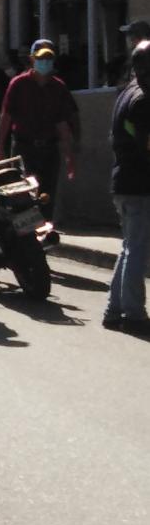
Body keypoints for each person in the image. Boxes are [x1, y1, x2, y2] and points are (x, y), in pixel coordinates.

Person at [0, 40, 77, 212]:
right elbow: (6, 116)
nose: (45, 63)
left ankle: (45, 230)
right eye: (41, 58)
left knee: (47, 195)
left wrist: (69, 155)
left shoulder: (58, 87)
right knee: (22, 193)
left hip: (49, 148)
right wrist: (0, 147)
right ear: (32, 60)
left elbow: (62, 123)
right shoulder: (18, 84)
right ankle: (25, 233)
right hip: (24, 147)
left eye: (49, 59)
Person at [103, 42, 150, 333]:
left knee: (129, 247)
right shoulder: (143, 99)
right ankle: (133, 314)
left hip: (125, 181)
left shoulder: (126, 93)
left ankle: (114, 309)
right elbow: (145, 142)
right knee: (137, 250)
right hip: (138, 183)